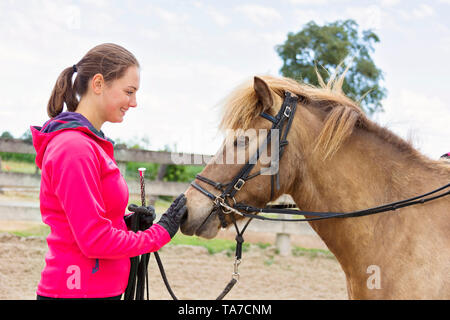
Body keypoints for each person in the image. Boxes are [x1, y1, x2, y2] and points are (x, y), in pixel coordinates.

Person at [31, 43, 187, 300]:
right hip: (79, 292)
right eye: (129, 91)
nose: (134, 102)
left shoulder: (91, 145)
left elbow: (90, 222)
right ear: (99, 83)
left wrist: (128, 225)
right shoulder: (74, 148)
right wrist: (159, 232)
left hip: (97, 289)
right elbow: (94, 240)